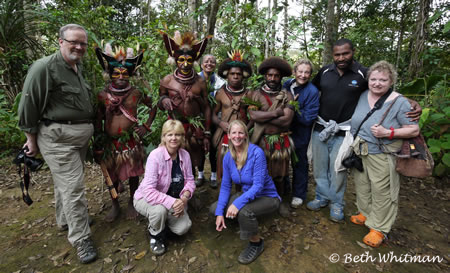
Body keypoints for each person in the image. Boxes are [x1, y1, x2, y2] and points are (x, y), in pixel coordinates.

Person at [308, 38, 421, 222]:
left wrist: (410, 102)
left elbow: (384, 90)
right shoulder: (325, 72)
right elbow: (309, 89)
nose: (341, 57)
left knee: (338, 169)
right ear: (332, 55)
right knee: (320, 168)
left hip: (345, 132)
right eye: (337, 54)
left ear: (353, 52)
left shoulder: (364, 73)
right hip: (320, 128)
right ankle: (322, 196)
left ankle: (337, 203)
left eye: (346, 53)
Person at [17, 24, 97, 263]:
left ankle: (65, 220)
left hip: (78, 137)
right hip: (58, 138)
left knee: (65, 183)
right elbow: (28, 105)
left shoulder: (76, 66)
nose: (79, 47)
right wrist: (30, 139)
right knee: (73, 187)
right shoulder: (44, 67)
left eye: (83, 43)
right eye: (74, 42)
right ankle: (81, 238)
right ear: (60, 41)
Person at [348, 61, 419, 247]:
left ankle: (379, 228)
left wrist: (389, 133)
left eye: (383, 80)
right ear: (368, 80)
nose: (377, 83)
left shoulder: (399, 102)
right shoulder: (363, 95)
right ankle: (365, 212)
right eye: (374, 79)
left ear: (391, 81)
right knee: (362, 185)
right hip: (361, 150)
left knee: (382, 190)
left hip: (382, 152)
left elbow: (413, 130)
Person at [94, 43, 156, 222]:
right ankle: (115, 205)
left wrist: (146, 126)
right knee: (111, 175)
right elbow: (98, 119)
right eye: (116, 73)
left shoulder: (136, 93)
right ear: (110, 75)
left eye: (124, 73)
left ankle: (131, 201)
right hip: (110, 143)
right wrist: (98, 142)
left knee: (134, 173)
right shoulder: (102, 95)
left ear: (130, 75)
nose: (121, 76)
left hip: (130, 142)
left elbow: (153, 106)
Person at [210, 120, 280, 264]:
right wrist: (219, 213)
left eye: (241, 132)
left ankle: (256, 243)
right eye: (234, 133)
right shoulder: (228, 157)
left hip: (267, 196)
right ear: (228, 135)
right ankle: (244, 221)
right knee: (215, 208)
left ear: (246, 135)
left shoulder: (256, 153)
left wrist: (237, 204)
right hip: (248, 194)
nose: (237, 136)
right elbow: (225, 186)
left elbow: (258, 186)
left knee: (244, 212)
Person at [134, 120, 196, 255]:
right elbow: (149, 191)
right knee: (159, 211)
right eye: (169, 135)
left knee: (183, 228)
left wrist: (184, 199)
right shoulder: (155, 156)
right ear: (164, 137)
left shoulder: (185, 155)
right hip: (146, 198)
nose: (174, 138)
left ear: (182, 137)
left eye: (178, 135)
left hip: (174, 199)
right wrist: (174, 202)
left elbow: (190, 180)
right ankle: (155, 235)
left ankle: (162, 223)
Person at [158, 30, 212, 187]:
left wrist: (207, 132)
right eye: (181, 59)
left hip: (195, 129)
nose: (185, 64)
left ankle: (191, 189)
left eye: (189, 60)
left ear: (194, 60)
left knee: (194, 159)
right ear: (175, 59)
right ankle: (172, 189)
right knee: (173, 160)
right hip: (174, 128)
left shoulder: (200, 81)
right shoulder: (167, 80)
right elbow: (160, 101)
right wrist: (165, 100)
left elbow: (206, 107)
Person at [247, 56, 294, 217]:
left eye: (276, 76)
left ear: (281, 77)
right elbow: (253, 116)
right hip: (260, 140)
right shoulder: (255, 95)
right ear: (265, 76)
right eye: (270, 75)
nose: (272, 79)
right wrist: (275, 113)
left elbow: (286, 120)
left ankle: (279, 201)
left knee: (280, 174)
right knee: (260, 172)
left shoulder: (287, 95)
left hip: (280, 140)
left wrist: (264, 115)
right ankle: (259, 200)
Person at [282, 59, 320, 208]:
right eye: (300, 71)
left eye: (307, 72)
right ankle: (284, 189)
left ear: (310, 74)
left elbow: (308, 118)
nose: (303, 75)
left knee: (299, 163)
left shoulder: (312, 91)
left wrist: (292, 108)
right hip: (284, 131)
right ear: (294, 71)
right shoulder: (287, 85)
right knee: (282, 160)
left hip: (300, 133)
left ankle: (299, 194)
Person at [212, 50, 253, 180]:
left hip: (243, 136)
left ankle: (241, 192)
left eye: (238, 74)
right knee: (225, 167)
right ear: (227, 75)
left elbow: (253, 116)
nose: (235, 76)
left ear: (243, 76)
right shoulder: (220, 93)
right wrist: (221, 123)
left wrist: (246, 128)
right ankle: (225, 191)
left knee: (243, 166)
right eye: (232, 74)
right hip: (226, 136)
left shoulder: (249, 94)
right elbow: (212, 115)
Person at [198, 54, 226, 188]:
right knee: (199, 148)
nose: (209, 63)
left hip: (215, 119)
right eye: (206, 61)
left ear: (215, 65)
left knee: (214, 147)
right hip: (199, 119)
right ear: (201, 64)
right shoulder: (195, 79)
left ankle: (214, 175)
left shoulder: (221, 83)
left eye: (212, 62)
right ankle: (200, 174)